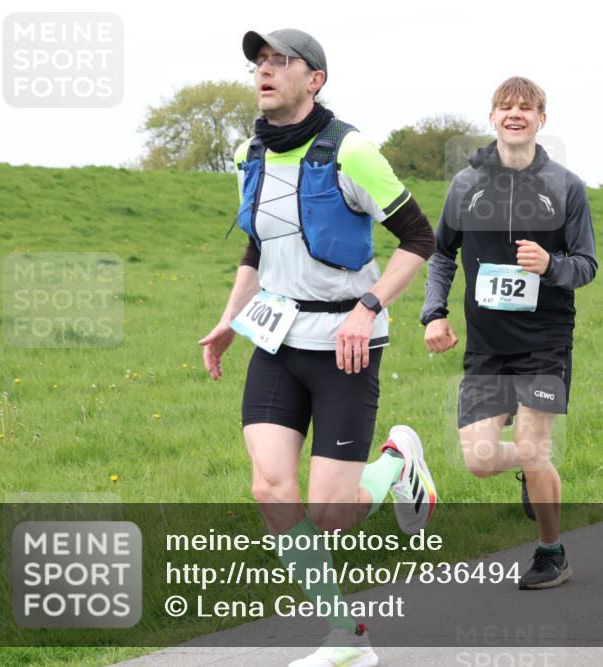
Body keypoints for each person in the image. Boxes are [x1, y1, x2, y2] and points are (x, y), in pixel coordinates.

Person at [198, 28, 437, 667]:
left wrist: (368, 308)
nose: (265, 72)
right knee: (272, 491)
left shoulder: (350, 150)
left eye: (281, 62)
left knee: (331, 513)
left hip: (345, 344)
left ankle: (398, 463)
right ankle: (346, 638)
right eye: (259, 63)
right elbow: (257, 249)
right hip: (276, 340)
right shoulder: (253, 153)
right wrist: (229, 320)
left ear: (315, 80)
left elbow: (420, 237)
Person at [421, 76, 597, 590]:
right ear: (492, 117)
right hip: (487, 347)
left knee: (535, 447)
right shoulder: (465, 186)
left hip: (544, 344)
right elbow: (440, 254)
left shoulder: (566, 187)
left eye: (526, 107)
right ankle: (532, 471)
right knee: (477, 461)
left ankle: (551, 552)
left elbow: (586, 264)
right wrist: (434, 313)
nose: (514, 113)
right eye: (505, 106)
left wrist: (550, 265)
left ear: (543, 119)